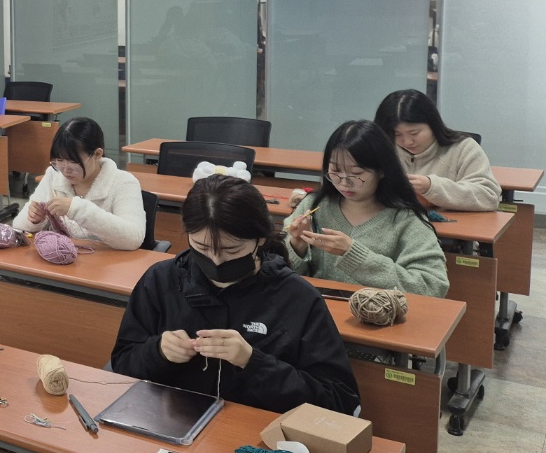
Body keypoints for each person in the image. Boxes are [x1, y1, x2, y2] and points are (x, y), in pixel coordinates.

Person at [111, 175, 360, 415]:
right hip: (171, 421)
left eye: (232, 250)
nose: (216, 260)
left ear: (260, 239)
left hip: (258, 434)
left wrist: (252, 362)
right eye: (202, 247)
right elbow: (122, 362)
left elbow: (338, 401)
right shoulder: (161, 280)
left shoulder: (297, 298)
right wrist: (158, 352)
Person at [284, 120, 448, 297]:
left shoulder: (406, 219)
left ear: (382, 170)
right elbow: (279, 273)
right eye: (335, 171)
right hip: (317, 309)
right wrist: (296, 246)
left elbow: (432, 287)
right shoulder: (314, 205)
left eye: (356, 173)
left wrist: (354, 255)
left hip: (379, 314)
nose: (344, 182)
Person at [11, 117, 145, 250]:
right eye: (59, 161)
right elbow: (18, 225)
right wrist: (35, 219)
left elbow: (133, 238)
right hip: (64, 259)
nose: (65, 170)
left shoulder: (124, 183)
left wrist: (77, 209)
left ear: (97, 154)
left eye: (73, 162)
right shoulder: (54, 175)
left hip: (108, 261)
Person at [374, 89, 500, 212]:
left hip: (449, 224)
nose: (407, 142)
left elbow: (489, 196)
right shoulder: (385, 149)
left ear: (433, 124)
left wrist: (432, 187)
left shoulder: (463, 148)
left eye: (414, 133)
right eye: (397, 134)